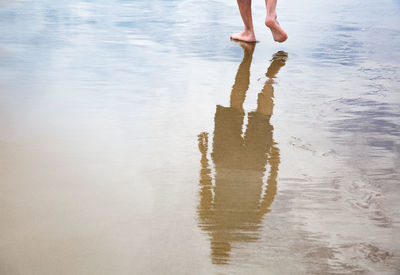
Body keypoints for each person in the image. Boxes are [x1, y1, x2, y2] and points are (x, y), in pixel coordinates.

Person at [197, 42, 288, 264]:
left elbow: (268, 197)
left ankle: (269, 78)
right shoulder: (207, 221)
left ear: (228, 247)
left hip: (253, 167)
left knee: (262, 117)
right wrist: (203, 155)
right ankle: (247, 60)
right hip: (226, 162)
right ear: (215, 244)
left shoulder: (249, 227)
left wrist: (274, 167)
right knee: (234, 106)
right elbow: (205, 186)